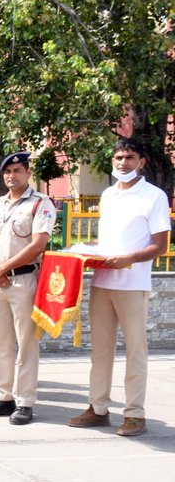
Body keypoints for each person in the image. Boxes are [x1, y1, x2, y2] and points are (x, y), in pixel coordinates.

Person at [69, 138, 170, 436]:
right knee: (100, 350)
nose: (122, 163)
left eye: (129, 157)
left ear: (141, 162)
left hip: (133, 284)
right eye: (118, 157)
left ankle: (135, 414)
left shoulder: (154, 196)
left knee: (135, 350)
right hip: (103, 282)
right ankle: (98, 408)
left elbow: (160, 246)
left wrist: (129, 259)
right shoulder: (109, 195)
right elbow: (108, 241)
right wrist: (82, 251)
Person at [0, 152, 56, 424]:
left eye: (17, 170)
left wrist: (2, 268)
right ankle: (3, 397)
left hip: (23, 281)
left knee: (26, 343)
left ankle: (24, 402)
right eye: (8, 172)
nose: (12, 176)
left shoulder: (40, 204)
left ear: (28, 173)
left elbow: (38, 245)